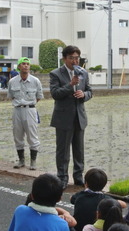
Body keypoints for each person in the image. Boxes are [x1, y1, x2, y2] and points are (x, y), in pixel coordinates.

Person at [50, 45, 93, 189]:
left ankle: (78, 176)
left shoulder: (83, 73)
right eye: (71, 58)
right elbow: (55, 93)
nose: (75, 61)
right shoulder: (56, 73)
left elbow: (89, 91)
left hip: (79, 117)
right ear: (64, 58)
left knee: (79, 150)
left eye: (77, 58)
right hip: (63, 118)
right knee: (63, 151)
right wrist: (70, 85)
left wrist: (84, 95)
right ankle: (62, 177)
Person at [7, 57, 43, 170]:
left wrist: (28, 104)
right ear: (18, 67)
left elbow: (38, 97)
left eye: (27, 64)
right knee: (17, 135)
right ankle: (21, 160)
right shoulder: (12, 81)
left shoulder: (35, 81)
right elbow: (11, 96)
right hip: (17, 109)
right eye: (23, 64)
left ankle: (33, 161)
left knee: (32, 136)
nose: (26, 66)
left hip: (30, 110)